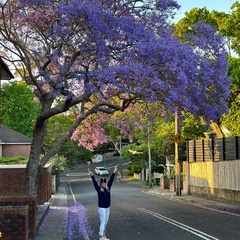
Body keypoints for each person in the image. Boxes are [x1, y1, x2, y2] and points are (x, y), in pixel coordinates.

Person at [88, 166, 118, 240]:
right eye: (102, 182)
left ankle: (103, 235)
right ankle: (101, 236)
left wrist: (114, 172)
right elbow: (94, 182)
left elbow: (111, 180)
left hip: (107, 207)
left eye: (104, 182)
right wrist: (92, 175)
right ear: (100, 183)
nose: (104, 183)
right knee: (103, 221)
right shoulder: (99, 189)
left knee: (106, 222)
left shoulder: (108, 188)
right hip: (102, 208)